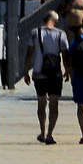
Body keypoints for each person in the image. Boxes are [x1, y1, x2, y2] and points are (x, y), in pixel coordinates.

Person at [29, 10, 69, 145]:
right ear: (56, 21)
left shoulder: (35, 33)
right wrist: (67, 70)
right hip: (55, 73)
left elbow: (29, 54)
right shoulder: (61, 34)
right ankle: (50, 135)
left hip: (39, 73)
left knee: (41, 103)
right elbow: (65, 54)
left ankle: (42, 131)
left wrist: (25, 72)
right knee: (53, 104)